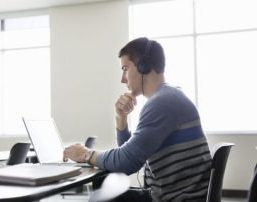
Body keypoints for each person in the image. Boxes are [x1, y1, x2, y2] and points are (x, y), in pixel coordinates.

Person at [63, 37, 212, 202]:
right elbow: (132, 155)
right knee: (103, 189)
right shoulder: (167, 97)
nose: (122, 79)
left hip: (177, 199)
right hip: (172, 195)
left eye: (125, 69)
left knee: (101, 195)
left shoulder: (163, 102)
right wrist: (121, 120)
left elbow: (127, 162)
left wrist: (86, 154)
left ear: (144, 66)